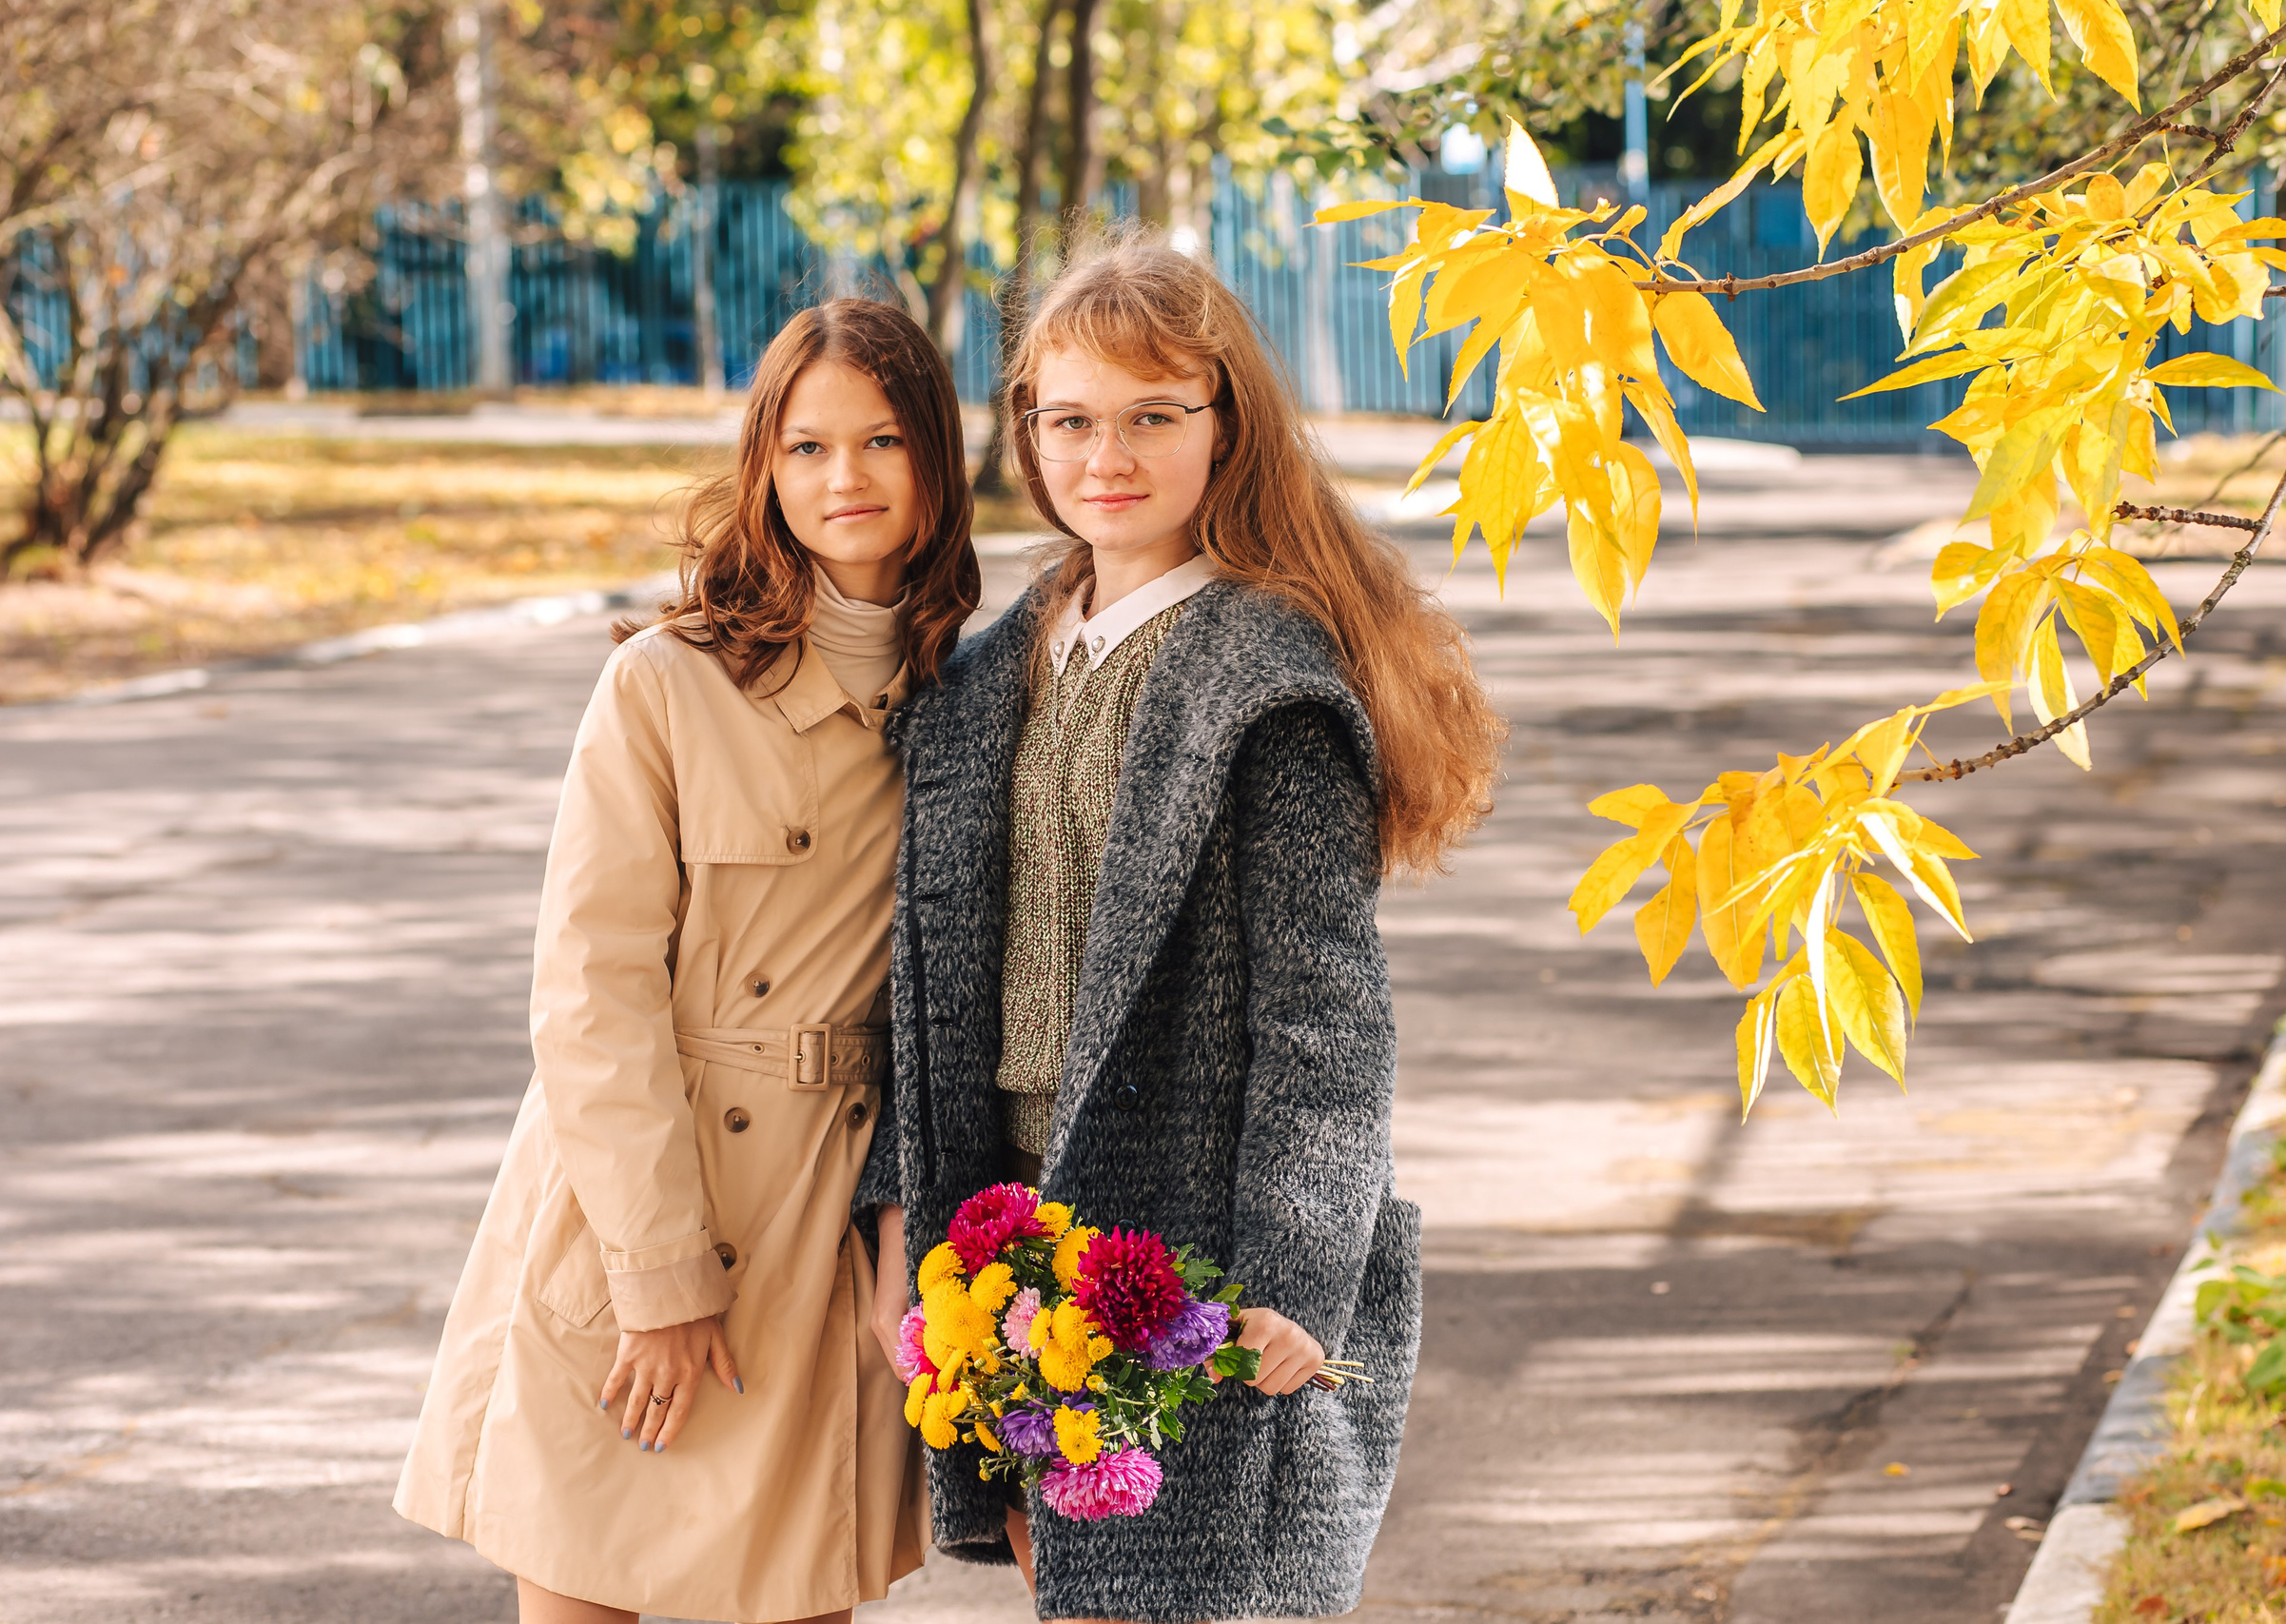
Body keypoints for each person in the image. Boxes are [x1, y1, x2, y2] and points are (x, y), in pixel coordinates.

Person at [855, 240, 1504, 1621]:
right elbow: (917, 983)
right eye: (1072, 419)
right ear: (1028, 433)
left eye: (1156, 416)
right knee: (1068, 1586)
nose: (1111, 456)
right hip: (1010, 1226)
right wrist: (904, 1215)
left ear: (1227, 427)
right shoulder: (995, 668)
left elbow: (1324, 1017)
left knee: (1186, 1598)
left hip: (1191, 1232)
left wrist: (1295, 1272)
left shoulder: (1262, 683)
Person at [395, 299, 982, 1624]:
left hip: (826, 1222)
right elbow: (589, 991)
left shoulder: (974, 698)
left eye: (883, 441)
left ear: (938, 461)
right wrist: (657, 1275)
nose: (847, 479)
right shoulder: (666, 684)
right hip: (637, 1205)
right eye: (807, 447)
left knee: (790, 1595)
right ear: (761, 472)